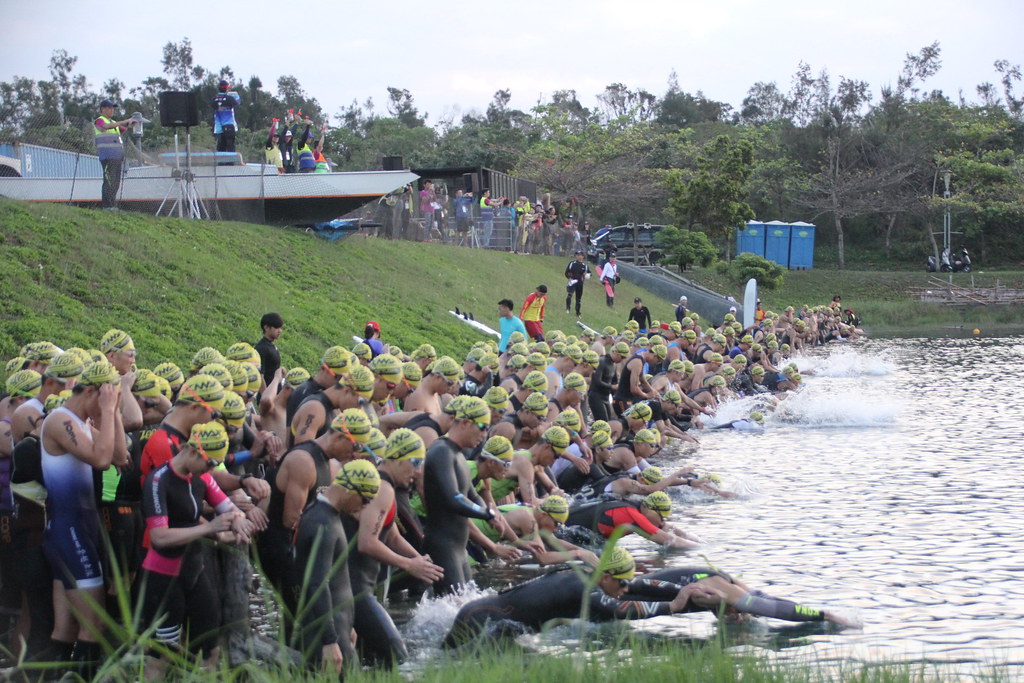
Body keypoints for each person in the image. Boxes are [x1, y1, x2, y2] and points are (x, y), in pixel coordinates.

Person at [137, 421, 254, 678]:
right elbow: (159, 536)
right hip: (164, 576)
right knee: (161, 653)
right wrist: (208, 528)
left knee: (210, 646)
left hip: (195, 571)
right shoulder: (159, 480)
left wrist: (238, 521)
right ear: (192, 451)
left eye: (215, 464)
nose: (211, 469)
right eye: (210, 463)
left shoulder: (202, 476)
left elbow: (229, 508)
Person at [40, 360, 128, 677]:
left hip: (80, 529)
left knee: (66, 629)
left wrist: (113, 413)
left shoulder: (78, 422)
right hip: (69, 532)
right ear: (90, 391)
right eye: (104, 397)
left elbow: (120, 456)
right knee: (94, 624)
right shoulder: (60, 420)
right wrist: (106, 409)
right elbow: (102, 460)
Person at [443, 545, 700, 648]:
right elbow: (619, 610)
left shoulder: (591, 575)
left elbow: (641, 584)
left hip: (491, 619)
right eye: (622, 584)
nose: (625, 589)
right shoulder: (584, 588)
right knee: (447, 663)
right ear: (606, 577)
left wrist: (683, 589)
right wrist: (674, 605)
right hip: (480, 619)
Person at [289, 459, 380, 676]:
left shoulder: (323, 513)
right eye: (366, 498)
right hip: (326, 637)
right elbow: (316, 584)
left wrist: (347, 625)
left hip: (336, 628)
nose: (366, 506)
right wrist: (330, 640)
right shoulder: (323, 523)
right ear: (349, 490)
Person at [421, 397, 507, 595]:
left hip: (458, 546)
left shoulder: (459, 455)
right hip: (442, 544)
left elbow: (472, 495)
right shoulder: (441, 452)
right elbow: (453, 498)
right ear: (466, 422)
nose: (485, 435)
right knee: (456, 606)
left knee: (468, 604)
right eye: (483, 427)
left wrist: (491, 512)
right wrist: (486, 514)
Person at [94, 100, 132, 210]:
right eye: (109, 108)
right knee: (109, 181)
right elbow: (105, 127)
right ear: (103, 109)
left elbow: (122, 130)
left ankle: (112, 204)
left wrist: (129, 125)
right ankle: (107, 206)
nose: (112, 110)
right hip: (107, 156)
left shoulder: (114, 123)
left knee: (116, 182)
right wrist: (123, 121)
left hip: (117, 156)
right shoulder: (100, 120)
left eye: (113, 108)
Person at [211, 80, 241, 154]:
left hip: (218, 127)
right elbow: (237, 103)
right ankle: (230, 161)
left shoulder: (214, 99)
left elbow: (213, 106)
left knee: (221, 148)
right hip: (229, 125)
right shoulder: (229, 98)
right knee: (230, 147)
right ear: (225, 88)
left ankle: (220, 161)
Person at [255, 312, 283, 388]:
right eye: (276, 327)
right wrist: (265, 393)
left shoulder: (271, 345)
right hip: (268, 391)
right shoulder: (262, 348)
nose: (280, 331)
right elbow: (260, 376)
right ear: (266, 327)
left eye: (280, 328)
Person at [564, 250, 590, 317]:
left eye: (579, 255)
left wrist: (586, 275)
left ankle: (578, 313)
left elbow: (589, 274)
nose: (578, 256)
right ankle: (568, 309)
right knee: (569, 295)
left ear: (583, 256)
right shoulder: (572, 263)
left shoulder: (585, 266)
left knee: (578, 299)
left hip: (580, 283)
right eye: (577, 255)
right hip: (572, 281)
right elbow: (566, 272)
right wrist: (569, 278)